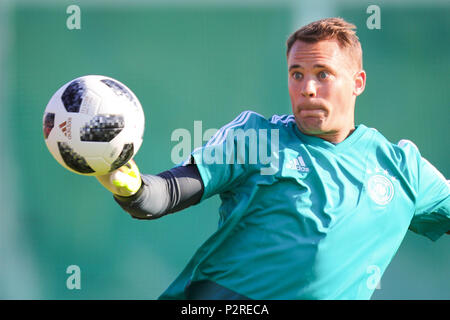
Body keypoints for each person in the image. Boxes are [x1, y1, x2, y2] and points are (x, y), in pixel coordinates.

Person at [96, 17, 450, 300]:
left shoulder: (403, 168)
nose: (307, 88)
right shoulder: (256, 140)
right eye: (297, 74)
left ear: (357, 82)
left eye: (322, 74)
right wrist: (128, 184)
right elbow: (163, 196)